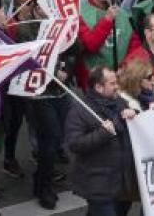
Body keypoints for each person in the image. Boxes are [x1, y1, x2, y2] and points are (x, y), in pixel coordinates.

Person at [64, 67, 135, 216]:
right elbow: (75, 144)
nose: (117, 87)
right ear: (99, 87)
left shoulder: (119, 102)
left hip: (120, 182)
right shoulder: (80, 111)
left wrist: (136, 114)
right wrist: (103, 133)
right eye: (112, 83)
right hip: (98, 185)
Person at [77, 0, 135, 84]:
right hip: (96, 81)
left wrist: (126, 66)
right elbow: (90, 45)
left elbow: (133, 43)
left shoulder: (120, 12)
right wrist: (107, 20)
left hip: (122, 77)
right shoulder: (81, 14)